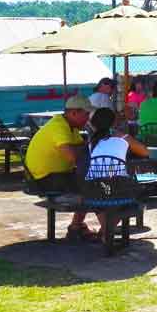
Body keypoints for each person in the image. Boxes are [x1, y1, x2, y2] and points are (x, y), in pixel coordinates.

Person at [25, 94, 96, 241]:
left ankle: (76, 227)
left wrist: (83, 146)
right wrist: (85, 146)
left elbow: (81, 149)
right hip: (44, 179)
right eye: (86, 114)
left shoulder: (71, 127)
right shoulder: (59, 126)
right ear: (73, 113)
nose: (88, 118)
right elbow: (73, 155)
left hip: (57, 175)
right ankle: (84, 229)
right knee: (96, 187)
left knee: (93, 183)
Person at [85, 108, 149, 239]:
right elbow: (145, 152)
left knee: (103, 197)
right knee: (138, 192)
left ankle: (105, 231)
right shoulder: (122, 138)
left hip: (94, 191)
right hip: (120, 190)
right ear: (114, 123)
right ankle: (107, 230)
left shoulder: (91, 142)